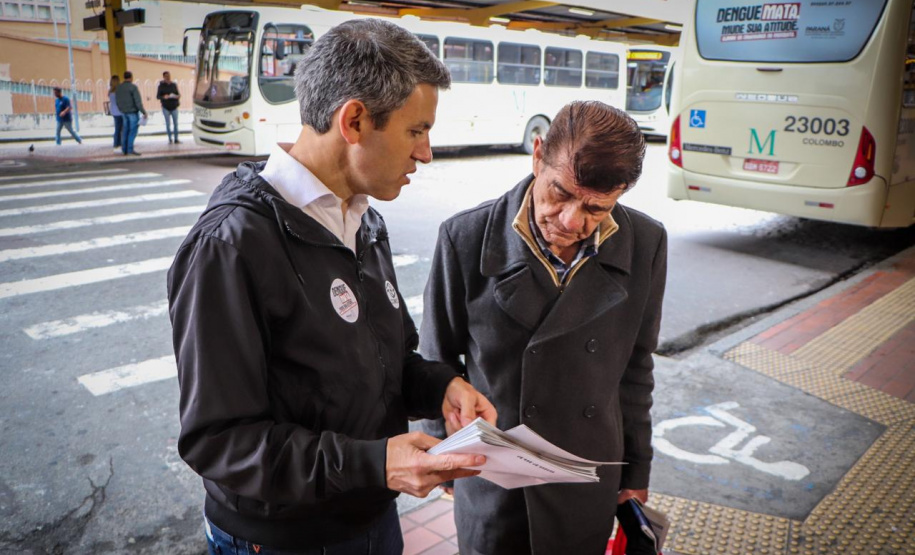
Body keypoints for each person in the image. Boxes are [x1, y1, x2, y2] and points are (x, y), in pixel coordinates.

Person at [167, 19, 497, 555]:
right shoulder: (231, 245)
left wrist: (440, 386)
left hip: (371, 515)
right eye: (416, 131)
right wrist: (375, 462)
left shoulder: (363, 220)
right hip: (283, 541)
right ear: (355, 120)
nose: (427, 153)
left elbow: (380, 359)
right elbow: (219, 441)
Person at [421, 101, 667, 554]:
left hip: (587, 471)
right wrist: (443, 456)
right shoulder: (465, 238)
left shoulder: (646, 244)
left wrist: (637, 474)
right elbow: (436, 360)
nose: (572, 222)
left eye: (596, 208)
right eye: (560, 193)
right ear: (537, 155)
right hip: (492, 477)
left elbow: (635, 367)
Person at [115, 70, 146, 155]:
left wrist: (121, 109)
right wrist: (143, 112)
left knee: (125, 130)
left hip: (123, 112)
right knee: (132, 131)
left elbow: (117, 101)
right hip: (132, 112)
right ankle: (130, 149)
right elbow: (138, 101)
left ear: (124, 77)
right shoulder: (133, 87)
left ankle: (124, 149)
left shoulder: (119, 88)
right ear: (131, 77)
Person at [156, 71, 181, 144]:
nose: (168, 77)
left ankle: (176, 139)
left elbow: (178, 94)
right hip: (165, 106)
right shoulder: (161, 86)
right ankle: (170, 138)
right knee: (168, 123)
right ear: (163, 77)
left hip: (174, 106)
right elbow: (158, 96)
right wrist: (164, 97)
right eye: (166, 76)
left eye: (169, 75)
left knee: (176, 123)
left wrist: (177, 96)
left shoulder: (173, 85)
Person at [108, 76, 123, 152]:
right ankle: (117, 144)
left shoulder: (110, 91)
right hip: (119, 112)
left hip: (114, 111)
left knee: (117, 128)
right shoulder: (118, 91)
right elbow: (119, 102)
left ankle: (117, 144)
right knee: (119, 129)